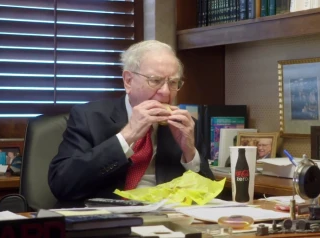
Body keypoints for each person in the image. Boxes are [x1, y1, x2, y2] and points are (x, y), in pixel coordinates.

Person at [48, 40, 214, 202]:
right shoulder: (89, 117)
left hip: (167, 219)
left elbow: (210, 194)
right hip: (110, 219)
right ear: (128, 81)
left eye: (173, 82)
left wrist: (189, 152)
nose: (165, 92)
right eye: (155, 81)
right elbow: (62, 185)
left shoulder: (186, 124)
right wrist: (127, 136)